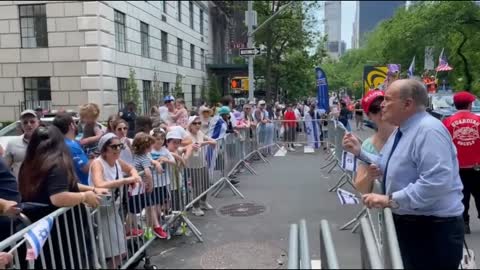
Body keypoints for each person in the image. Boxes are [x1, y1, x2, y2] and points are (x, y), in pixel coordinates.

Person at [343, 79, 464, 269]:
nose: (382, 105)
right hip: (416, 226)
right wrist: (361, 153)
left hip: (431, 230)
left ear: (407, 104)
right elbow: (387, 164)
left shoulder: (428, 131)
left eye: (388, 99)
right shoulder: (403, 130)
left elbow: (436, 182)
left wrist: (390, 199)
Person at [18, 125, 107, 269]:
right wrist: (85, 196)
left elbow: (68, 186)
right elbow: (58, 196)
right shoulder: (57, 164)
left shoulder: (29, 164)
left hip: (40, 229)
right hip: (61, 232)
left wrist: (92, 189)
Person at [88, 133, 142, 268]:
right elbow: (98, 184)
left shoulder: (117, 162)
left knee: (120, 251)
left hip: (113, 210)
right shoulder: (97, 163)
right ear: (104, 149)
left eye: (120, 146)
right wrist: (124, 180)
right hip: (101, 212)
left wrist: (135, 177)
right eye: (114, 147)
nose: (118, 149)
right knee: (115, 252)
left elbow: (131, 168)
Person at [442, 91, 480, 234]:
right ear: (470, 104)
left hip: (457, 168)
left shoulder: (447, 122)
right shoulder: (478, 120)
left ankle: (464, 223)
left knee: (461, 196)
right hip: (477, 166)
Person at [353, 91, 396, 194]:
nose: (382, 110)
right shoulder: (368, 146)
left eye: (384, 104)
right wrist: (369, 175)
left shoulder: (408, 135)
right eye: (375, 109)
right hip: (385, 207)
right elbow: (361, 190)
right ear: (369, 116)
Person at [131, 132, 167, 239]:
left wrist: (156, 163)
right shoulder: (144, 158)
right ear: (146, 146)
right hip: (140, 188)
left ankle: (154, 227)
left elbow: (150, 162)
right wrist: (151, 185)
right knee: (134, 210)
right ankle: (153, 228)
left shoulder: (138, 155)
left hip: (137, 188)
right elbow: (147, 173)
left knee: (148, 206)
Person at [185, 116, 216, 216]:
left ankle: (203, 202)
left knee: (206, 184)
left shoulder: (200, 133)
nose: (198, 125)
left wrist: (211, 141)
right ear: (190, 125)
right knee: (197, 187)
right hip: (192, 165)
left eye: (199, 123)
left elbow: (211, 140)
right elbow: (196, 145)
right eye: (195, 123)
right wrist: (208, 142)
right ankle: (196, 207)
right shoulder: (186, 135)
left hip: (202, 163)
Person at [53, 113, 92, 185]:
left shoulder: (57, 142)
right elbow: (86, 168)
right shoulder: (71, 145)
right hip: (80, 189)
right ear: (71, 126)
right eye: (75, 123)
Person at [4, 110, 40, 178]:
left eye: (32, 122)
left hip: (42, 186)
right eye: (25, 122)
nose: (29, 125)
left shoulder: (47, 142)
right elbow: (5, 167)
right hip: (19, 186)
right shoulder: (12, 143)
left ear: (38, 123)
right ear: (21, 125)